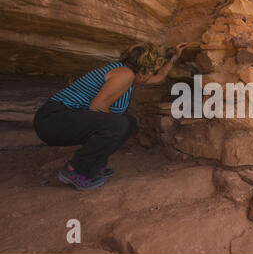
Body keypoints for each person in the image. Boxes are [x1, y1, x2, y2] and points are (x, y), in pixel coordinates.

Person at [33, 42, 186, 191]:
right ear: (143, 69)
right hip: (53, 119)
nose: (150, 76)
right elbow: (97, 107)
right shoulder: (124, 74)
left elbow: (158, 77)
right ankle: (76, 170)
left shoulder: (129, 74)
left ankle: (93, 167)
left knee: (129, 123)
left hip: (61, 120)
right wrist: (114, 128)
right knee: (117, 124)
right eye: (151, 71)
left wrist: (173, 58)